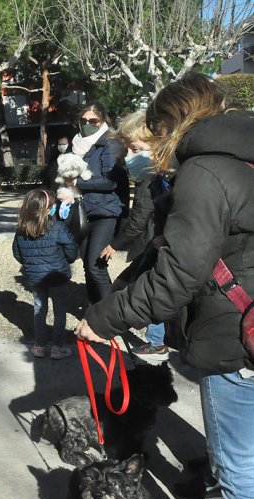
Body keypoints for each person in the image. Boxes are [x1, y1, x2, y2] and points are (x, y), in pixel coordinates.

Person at [75, 73, 254, 499]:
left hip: (234, 333)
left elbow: (179, 275)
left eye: (156, 132)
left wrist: (103, 318)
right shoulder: (243, 159)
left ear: (173, 122)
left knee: (240, 468)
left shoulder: (205, 171)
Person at [97, 111, 170, 361]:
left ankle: (156, 340)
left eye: (135, 149)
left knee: (150, 290)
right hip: (157, 242)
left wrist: (115, 244)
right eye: (126, 150)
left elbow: (139, 219)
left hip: (154, 243)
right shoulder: (159, 176)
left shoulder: (153, 180)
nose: (129, 157)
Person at [69, 102, 127, 304]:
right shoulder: (78, 144)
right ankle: (94, 311)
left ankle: (109, 314)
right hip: (84, 211)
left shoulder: (110, 143)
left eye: (93, 120)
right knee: (87, 264)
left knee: (96, 265)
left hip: (105, 212)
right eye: (83, 120)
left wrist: (79, 181)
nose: (87, 124)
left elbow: (110, 180)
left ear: (103, 120)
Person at [13, 189, 78, 359]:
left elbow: (17, 253)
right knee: (60, 310)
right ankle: (58, 347)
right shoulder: (58, 227)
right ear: (48, 209)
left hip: (35, 277)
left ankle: (39, 345)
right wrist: (66, 260)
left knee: (39, 309)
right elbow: (72, 250)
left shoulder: (21, 230)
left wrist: (30, 264)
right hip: (57, 275)